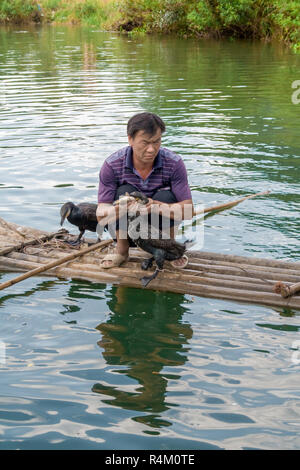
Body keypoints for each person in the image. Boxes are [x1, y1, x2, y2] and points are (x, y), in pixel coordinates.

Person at [96, 112, 193, 268]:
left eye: (156, 142)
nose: (151, 149)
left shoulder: (174, 163)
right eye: (145, 142)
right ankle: (121, 251)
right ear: (130, 139)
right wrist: (119, 209)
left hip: (158, 226)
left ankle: (170, 248)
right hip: (128, 226)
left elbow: (188, 211)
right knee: (123, 192)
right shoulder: (112, 165)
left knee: (166, 196)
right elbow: (100, 215)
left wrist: (155, 206)